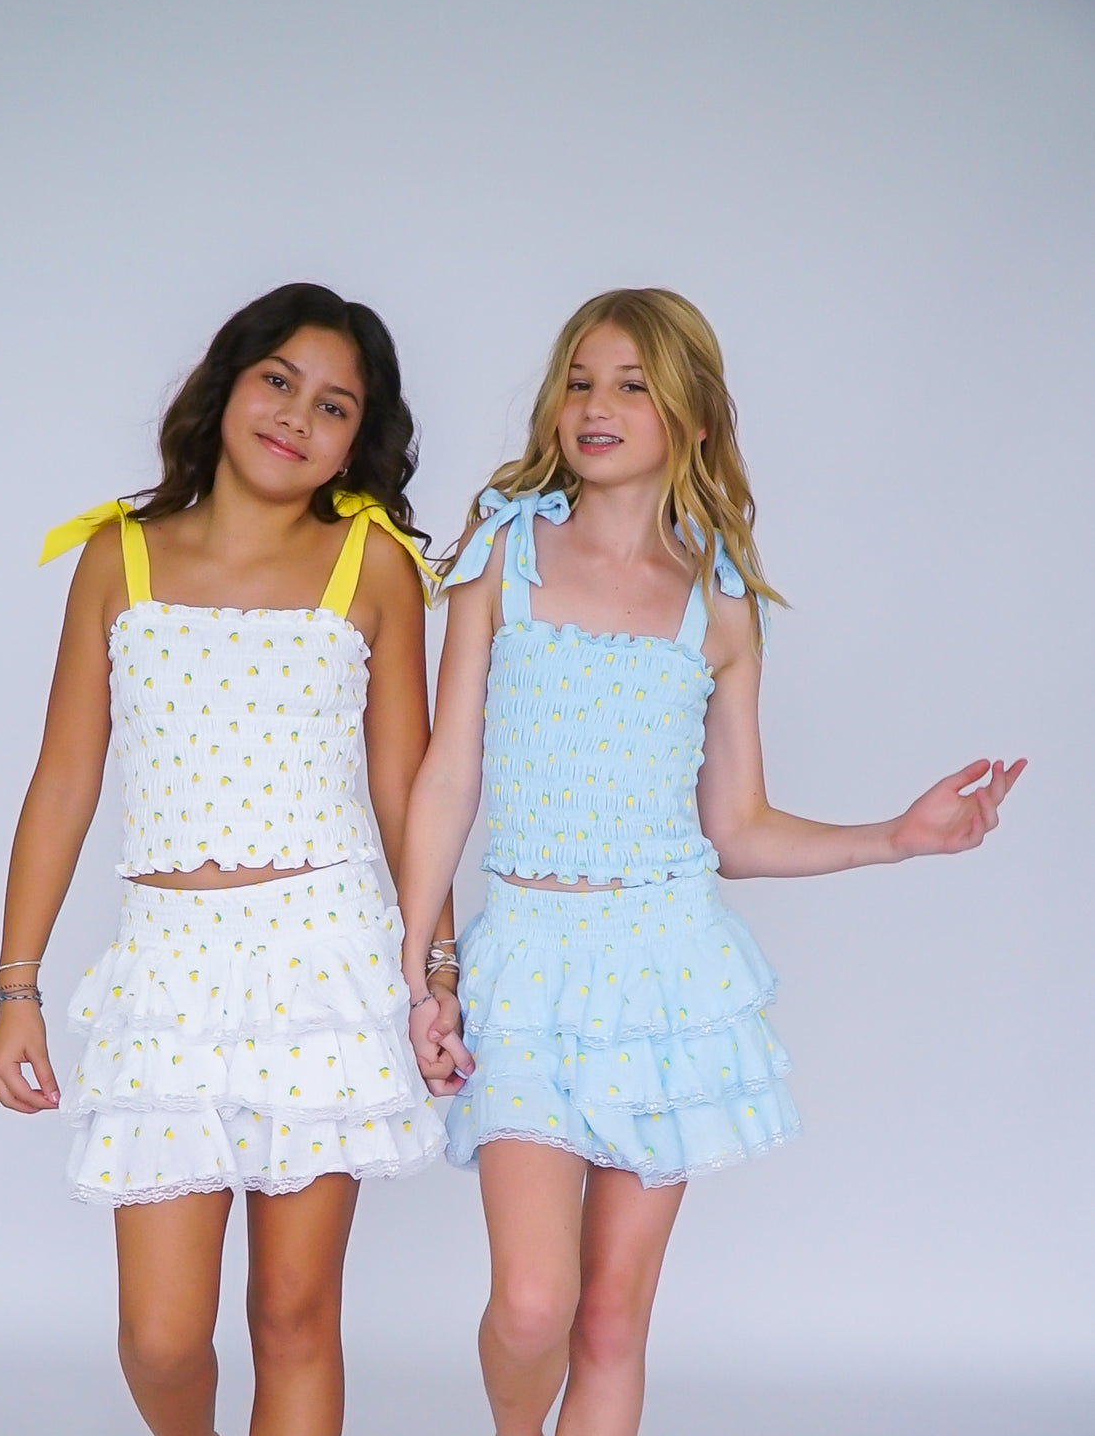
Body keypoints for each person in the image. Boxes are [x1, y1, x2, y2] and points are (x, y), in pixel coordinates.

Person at [397, 287, 1025, 1436]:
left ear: (689, 416)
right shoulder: (502, 558)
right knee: (533, 1306)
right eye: (580, 382)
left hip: (666, 975)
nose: (597, 405)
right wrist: (420, 967)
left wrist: (896, 835)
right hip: (525, 966)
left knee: (609, 1322)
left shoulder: (719, 607)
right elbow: (447, 775)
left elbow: (736, 828)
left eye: (632, 385)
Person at [0, 282, 452, 1436]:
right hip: (168, 971)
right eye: (278, 381)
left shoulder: (372, 567)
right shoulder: (119, 557)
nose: (297, 416)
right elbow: (64, 783)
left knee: (294, 1314)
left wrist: (435, 969)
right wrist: (14, 988)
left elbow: (407, 791)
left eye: (334, 405)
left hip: (324, 964)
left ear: (360, 437)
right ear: (226, 383)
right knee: (161, 1337)